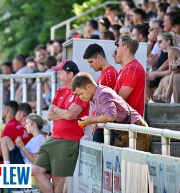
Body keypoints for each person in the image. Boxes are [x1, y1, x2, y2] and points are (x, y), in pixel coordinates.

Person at [32, 60, 90, 193]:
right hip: (54, 138)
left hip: (68, 141)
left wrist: (59, 110)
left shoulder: (80, 91)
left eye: (60, 72)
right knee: (36, 170)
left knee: (58, 184)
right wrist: (63, 111)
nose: (57, 76)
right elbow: (49, 115)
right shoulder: (61, 90)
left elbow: (70, 116)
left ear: (70, 75)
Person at [71, 72, 151, 151]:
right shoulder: (93, 97)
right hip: (124, 131)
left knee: (137, 162)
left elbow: (110, 116)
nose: (80, 97)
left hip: (136, 129)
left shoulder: (103, 94)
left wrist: (92, 120)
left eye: (81, 93)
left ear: (88, 87)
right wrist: (94, 120)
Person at [83, 43, 118, 143]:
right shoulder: (105, 73)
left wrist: (95, 119)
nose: (90, 65)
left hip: (104, 128)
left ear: (99, 57)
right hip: (100, 125)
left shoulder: (110, 74)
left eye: (91, 62)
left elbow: (109, 103)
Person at [113, 34, 145, 116]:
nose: (116, 48)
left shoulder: (133, 68)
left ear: (125, 47)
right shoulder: (127, 68)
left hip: (129, 123)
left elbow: (119, 99)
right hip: (124, 122)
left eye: (117, 45)